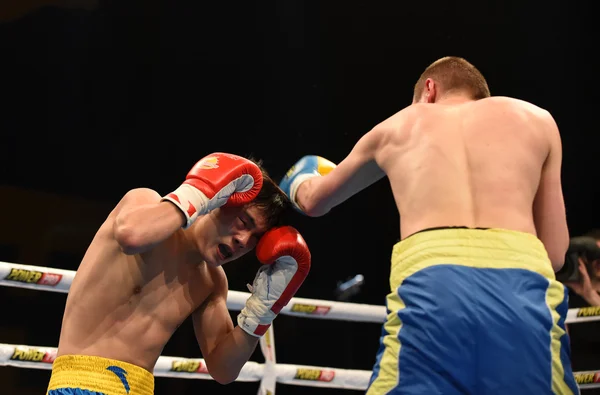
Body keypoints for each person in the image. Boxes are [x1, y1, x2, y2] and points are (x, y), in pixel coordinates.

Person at [280, 56, 579, 394]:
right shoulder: (538, 120)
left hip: (434, 287)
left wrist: (302, 175)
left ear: (429, 90)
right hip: (523, 293)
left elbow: (313, 201)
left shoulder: (399, 125)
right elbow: (554, 254)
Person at [46, 152, 311, 395]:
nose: (243, 240)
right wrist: (199, 193)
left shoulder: (212, 282)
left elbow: (223, 369)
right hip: (80, 383)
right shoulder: (143, 202)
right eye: (244, 222)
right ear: (223, 197)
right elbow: (131, 236)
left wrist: (262, 312)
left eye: (255, 238)